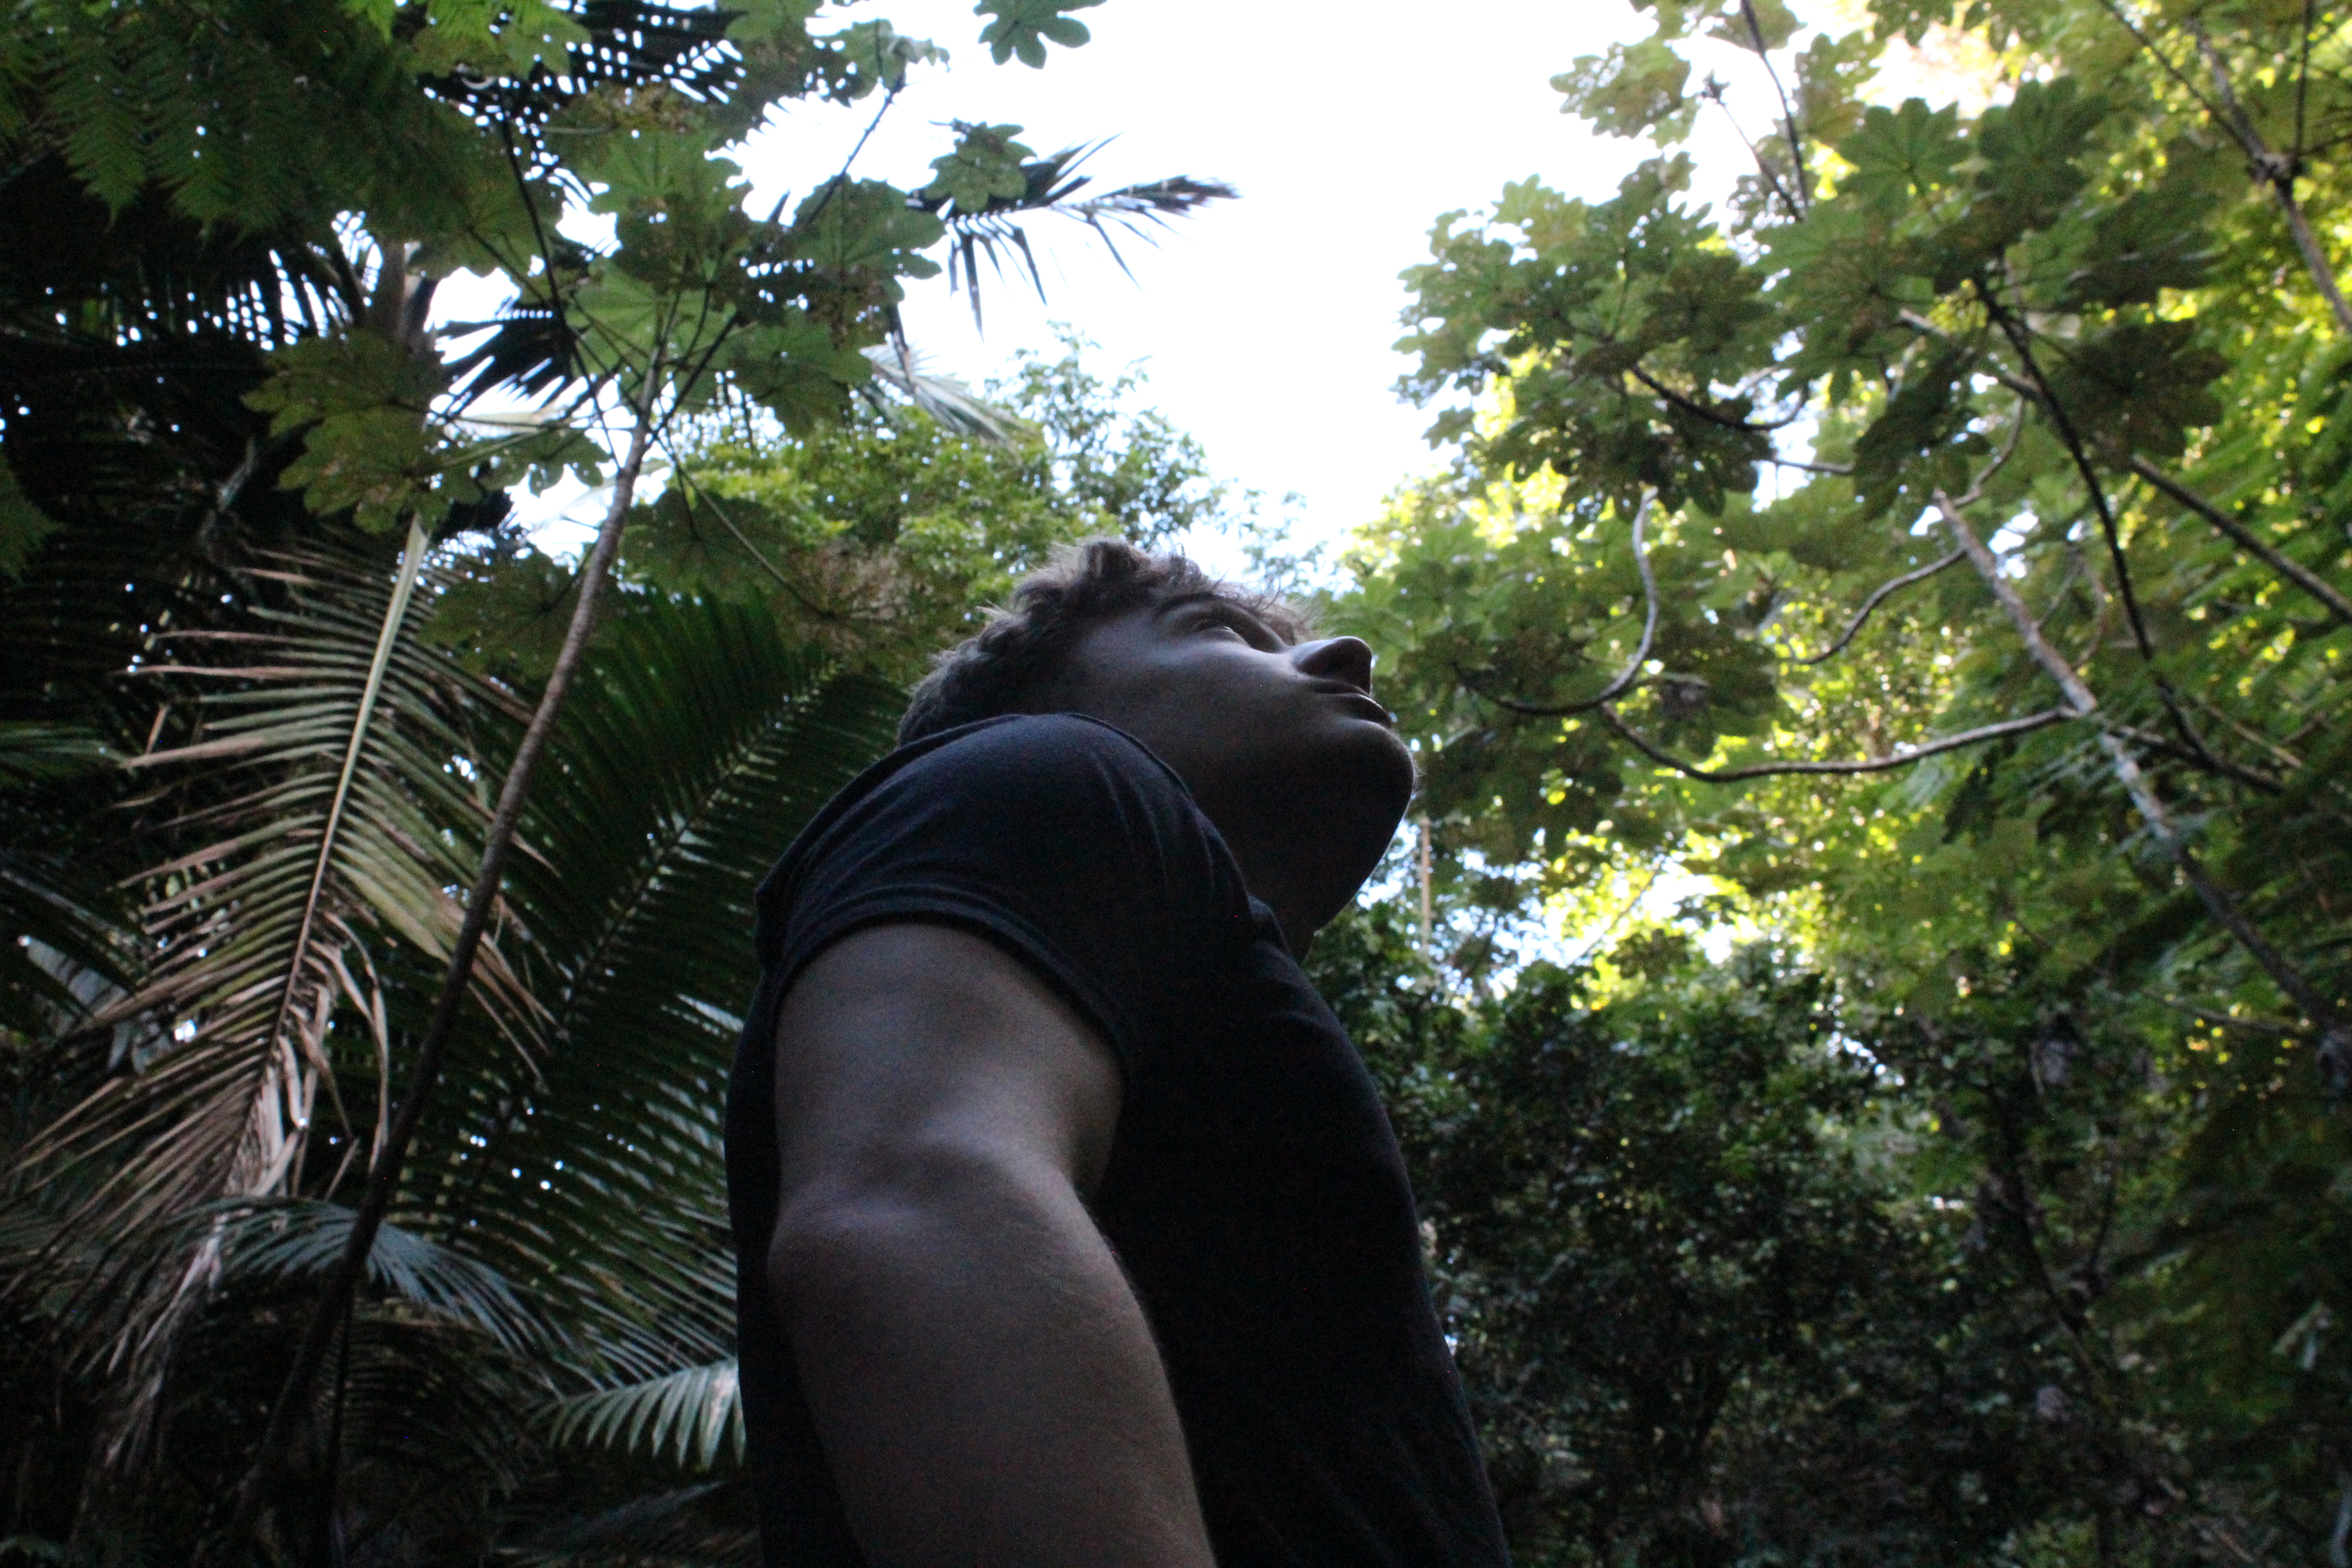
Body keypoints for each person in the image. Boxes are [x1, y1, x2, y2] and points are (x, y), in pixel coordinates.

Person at [725, 539, 1511, 1567]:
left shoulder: (1186, 999)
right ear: (1044, 711)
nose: (1347, 654)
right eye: (1222, 634)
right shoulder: (1042, 768)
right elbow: (913, 1199)